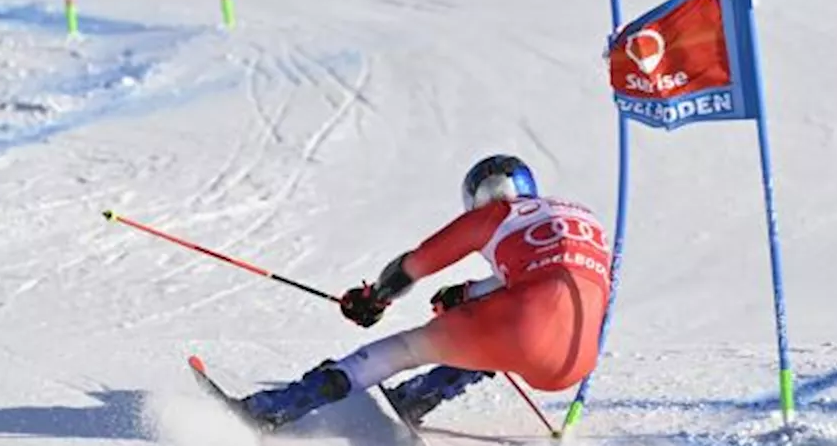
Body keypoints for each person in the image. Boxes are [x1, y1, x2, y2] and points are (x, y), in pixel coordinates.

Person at [238, 154, 612, 430]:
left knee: (402, 350)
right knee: (497, 337)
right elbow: (553, 280)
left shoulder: (496, 215)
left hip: (518, 326)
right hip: (576, 362)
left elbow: (416, 264)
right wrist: (465, 295)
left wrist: (374, 299)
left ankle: (272, 408)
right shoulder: (583, 218)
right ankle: (418, 397)